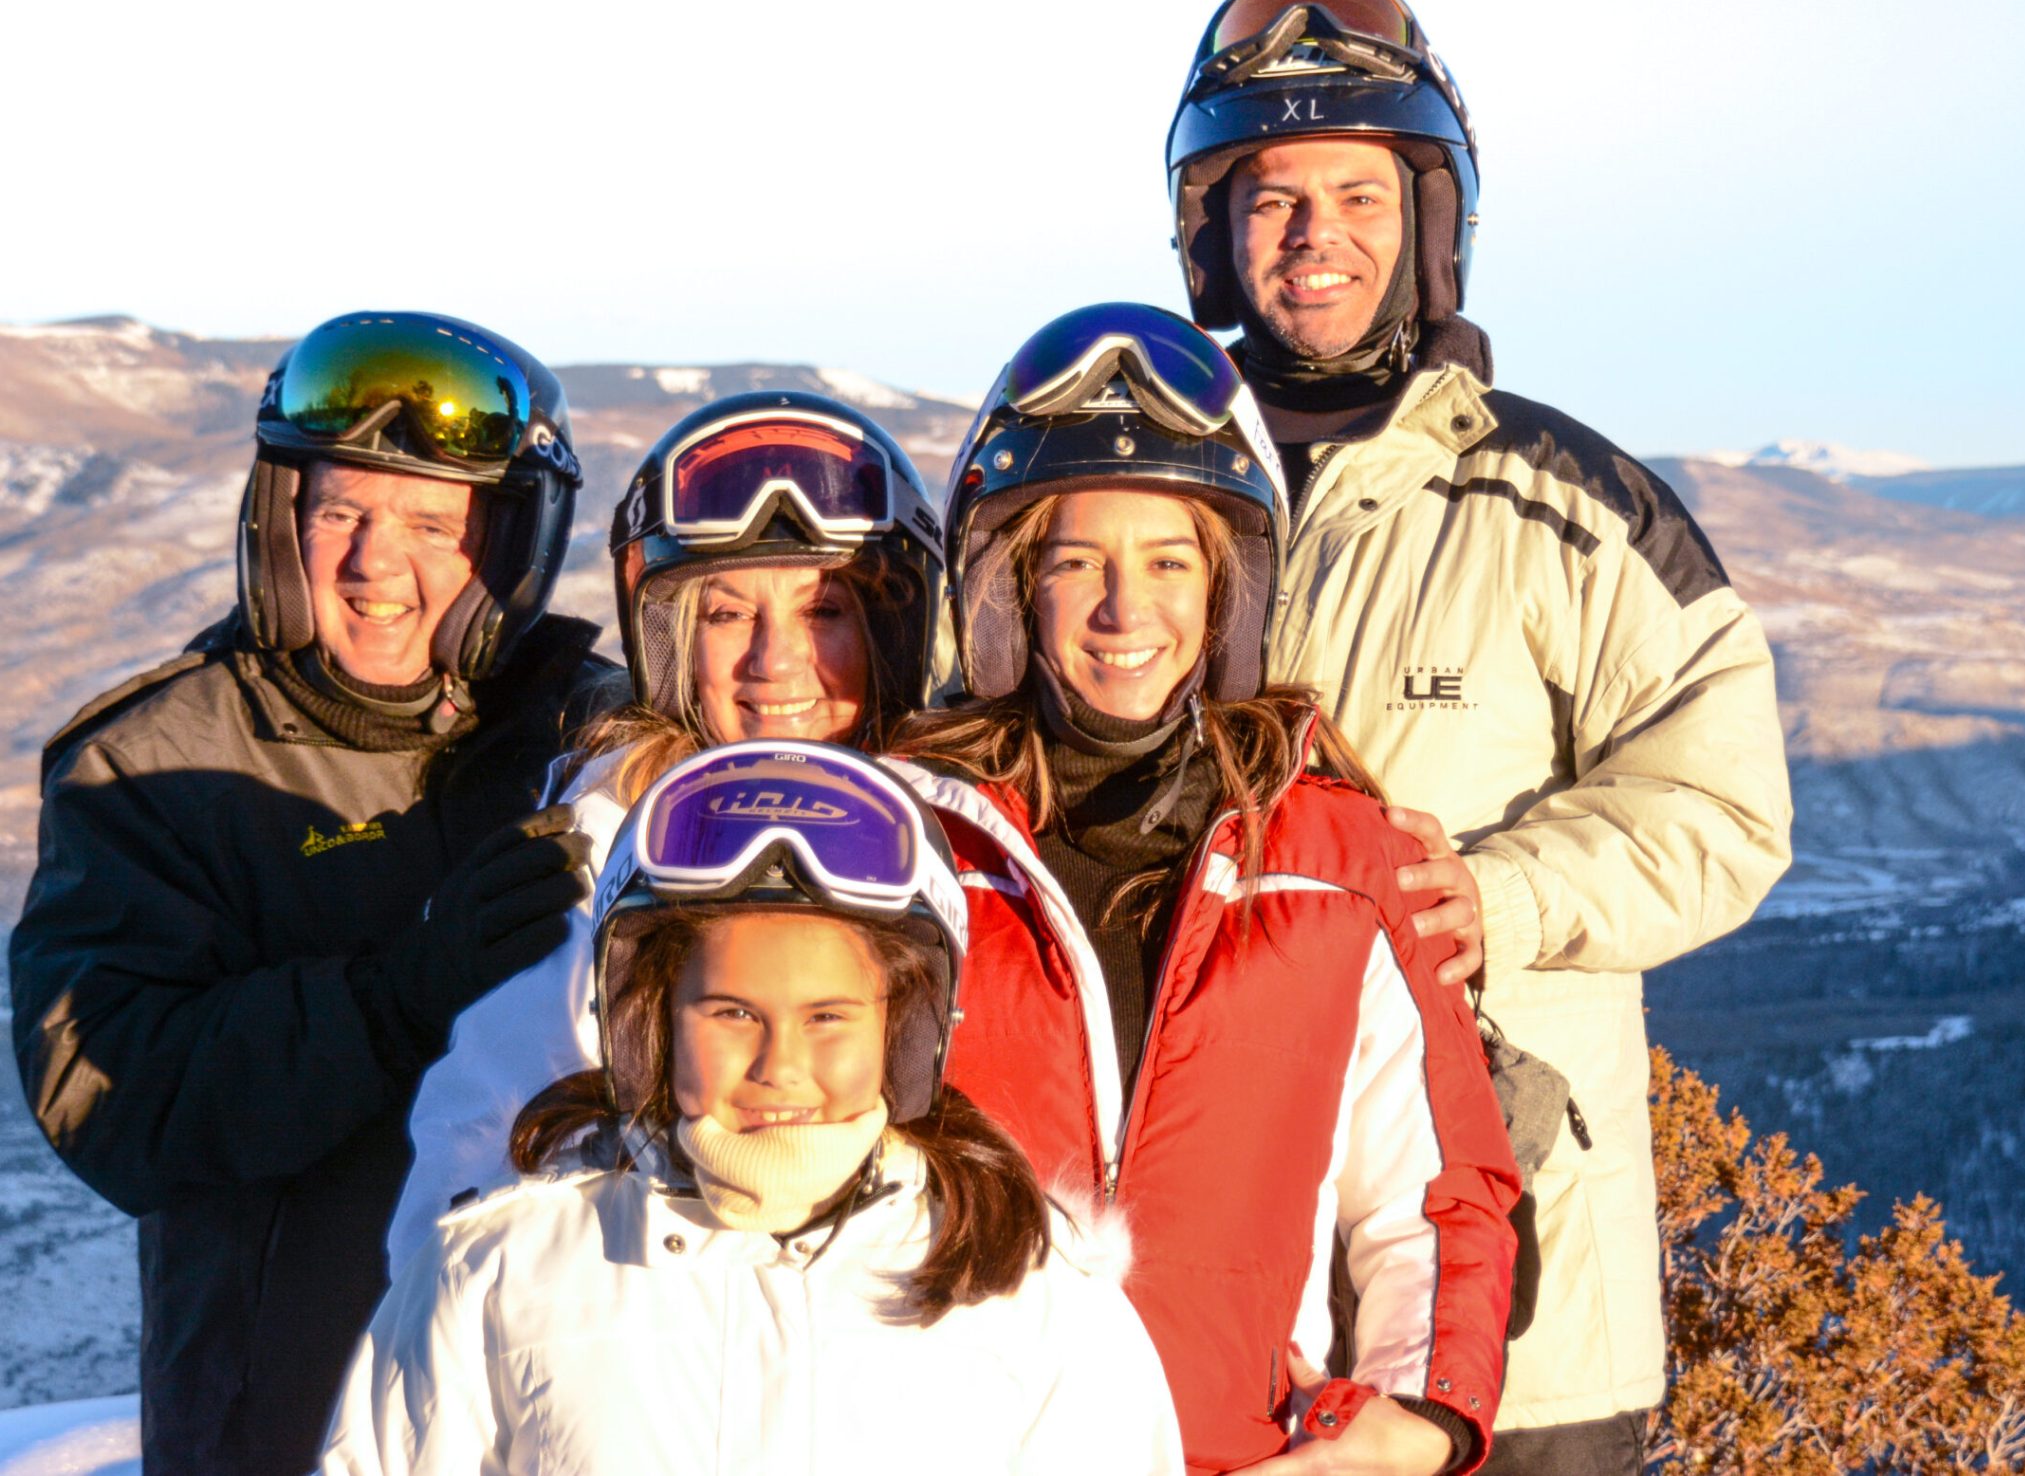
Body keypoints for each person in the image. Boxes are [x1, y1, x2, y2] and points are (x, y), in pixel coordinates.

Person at [1164, 0, 1795, 1471]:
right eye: (1273, 199)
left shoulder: (1573, 507)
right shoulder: (1136, 495)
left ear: (1431, 221)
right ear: (1211, 230)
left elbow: (1728, 813)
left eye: (1360, 196)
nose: (1317, 240)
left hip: (1525, 1297)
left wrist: (1501, 897)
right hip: (1204, 1275)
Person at [889, 302, 1521, 1475]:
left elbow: (1436, 1195)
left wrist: (1419, 1419)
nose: (1127, 613)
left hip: (1238, 1449)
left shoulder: (1340, 861)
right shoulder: (911, 847)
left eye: (1170, 562)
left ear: (1229, 588)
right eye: (1076, 562)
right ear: (1012, 591)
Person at [8, 311, 617, 1476]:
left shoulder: (595, 734)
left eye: (435, 522)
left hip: (559, 1408)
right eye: (341, 511)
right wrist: (389, 1004)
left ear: (513, 546)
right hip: (289, 1419)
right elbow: (111, 1097)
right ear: (279, 520)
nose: (376, 563)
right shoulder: (155, 765)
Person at [320, 740, 1183, 1476]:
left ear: (908, 1027)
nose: (781, 1065)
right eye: (732, 1013)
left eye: (829, 1017)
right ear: (648, 1020)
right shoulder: (500, 1272)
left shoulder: (1028, 1289)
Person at [387, 389, 946, 1273]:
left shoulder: (959, 834)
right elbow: (465, 1181)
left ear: (894, 629)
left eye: (825, 611)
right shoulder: (601, 853)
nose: (777, 661)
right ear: (670, 637)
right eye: (727, 615)